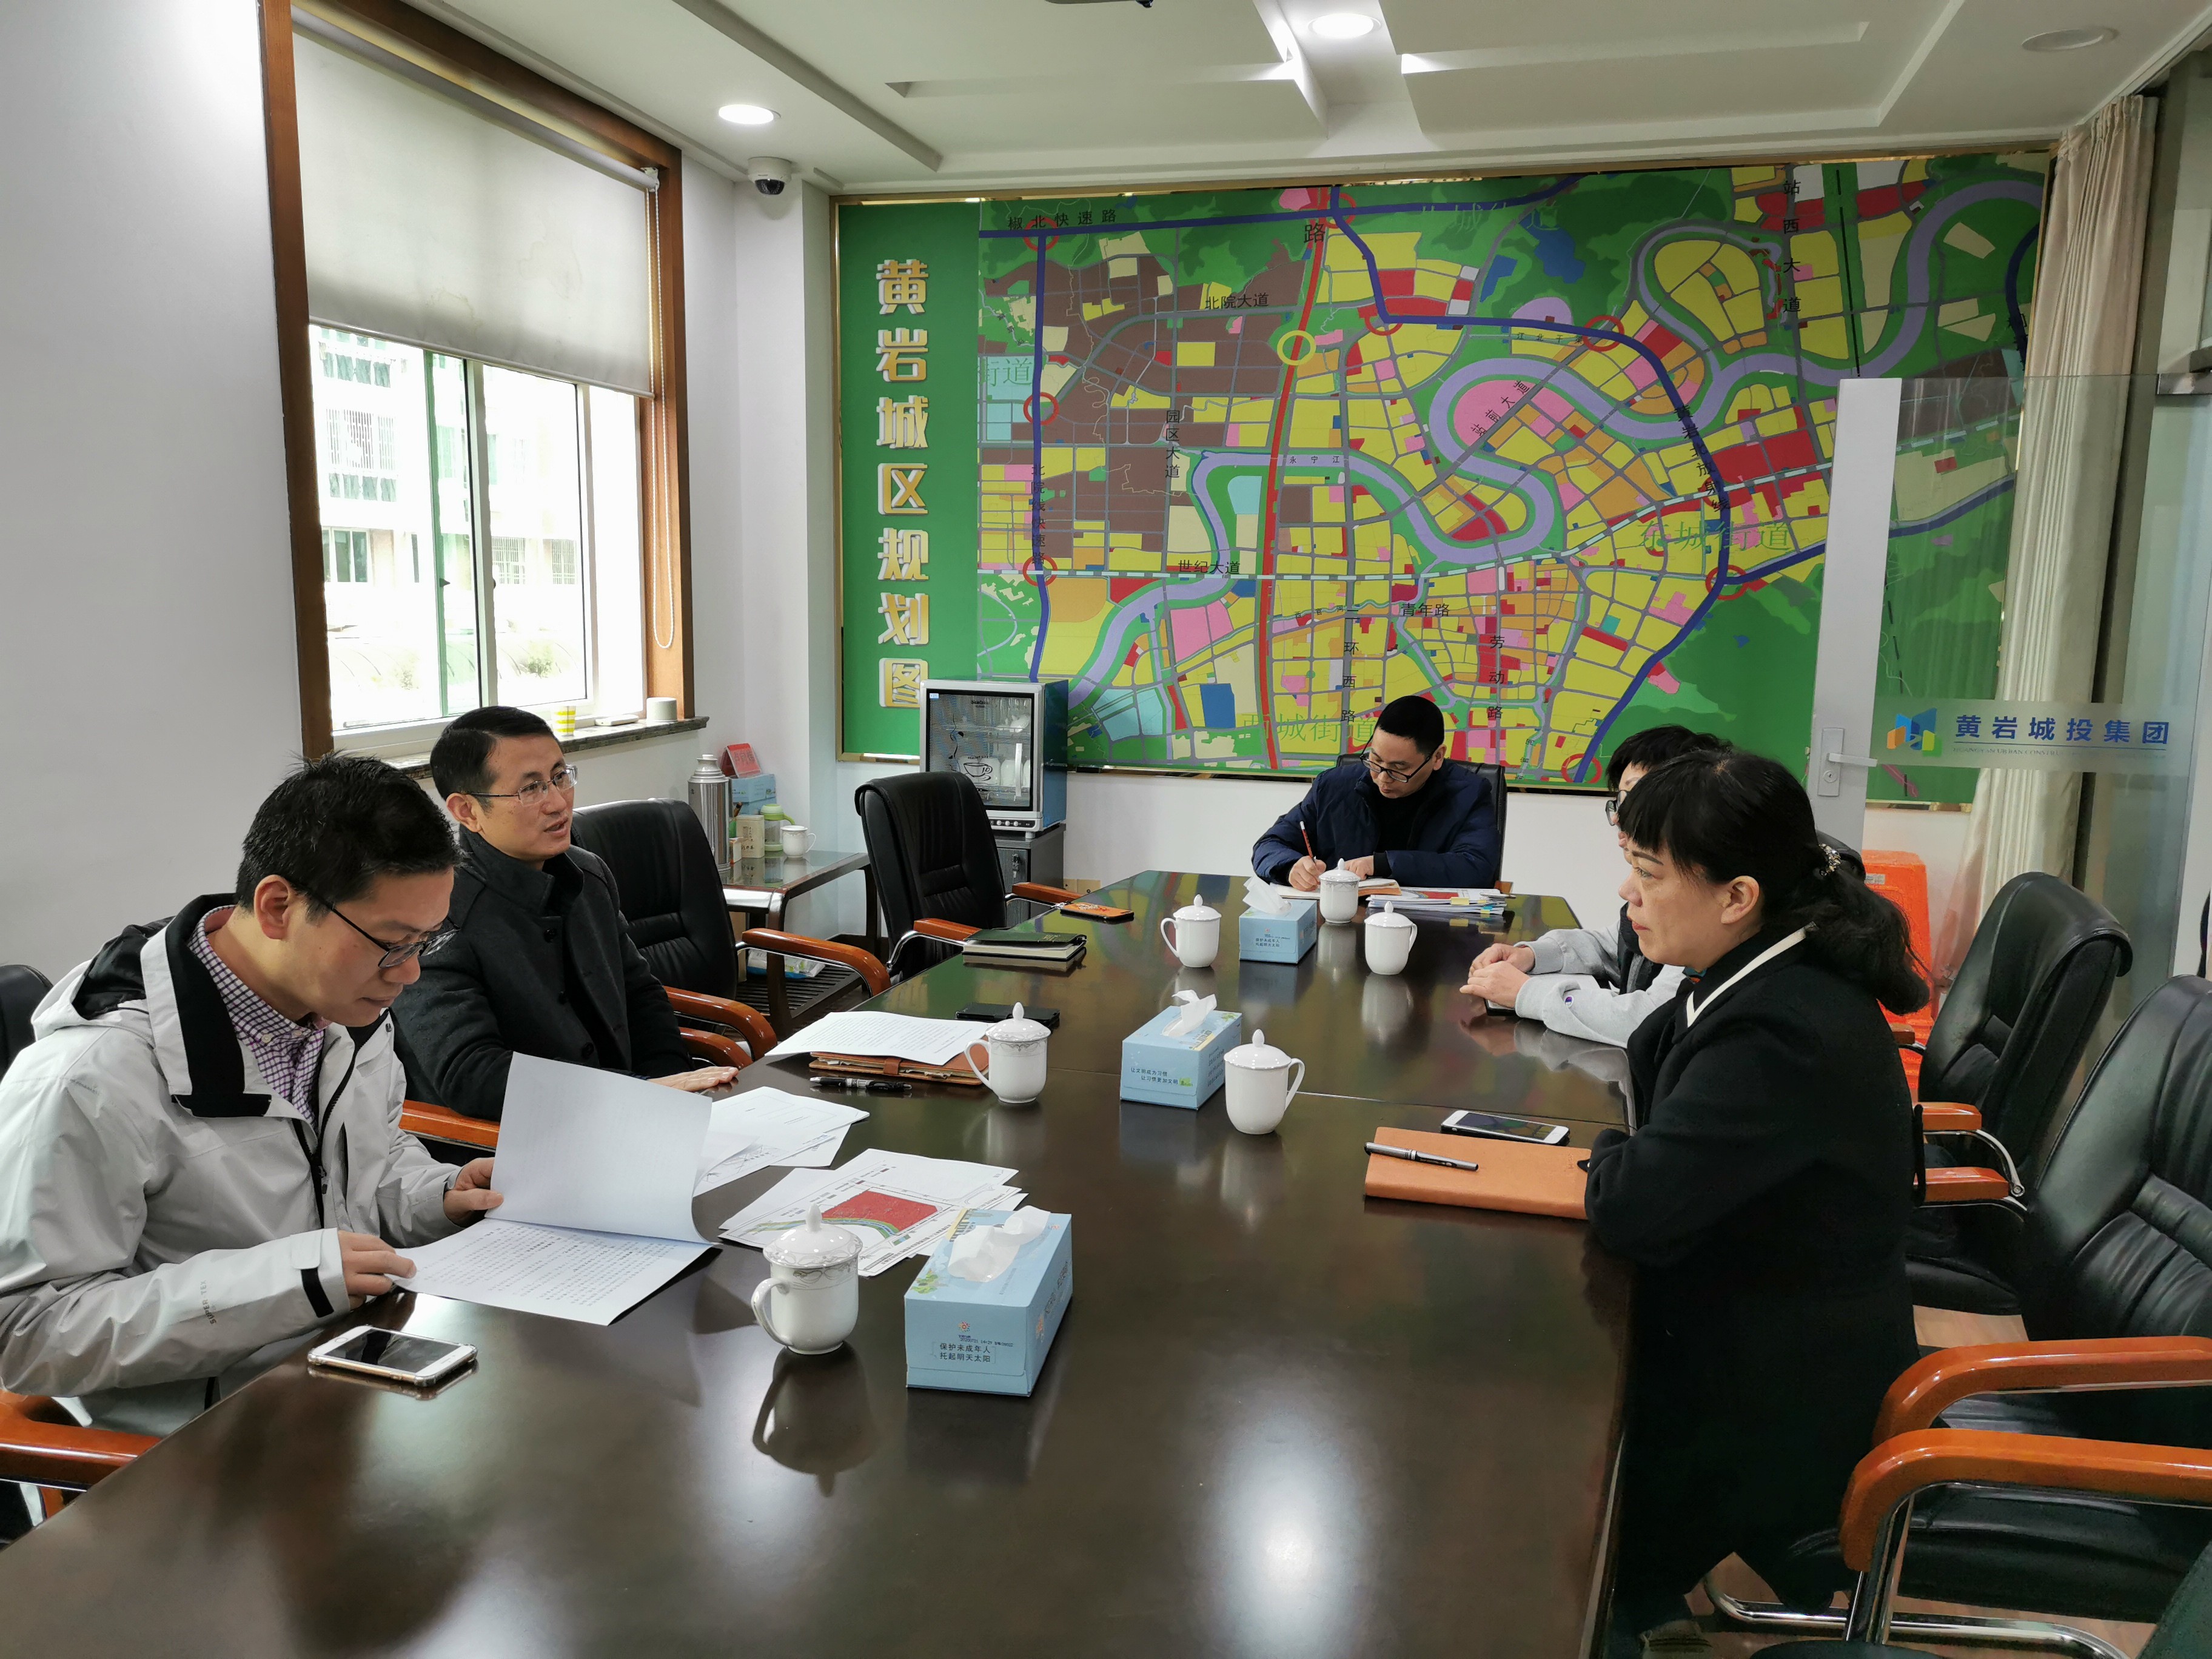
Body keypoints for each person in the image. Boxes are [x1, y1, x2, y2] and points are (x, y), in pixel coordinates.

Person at [0, 756, 503, 1435]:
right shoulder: (90, 1078)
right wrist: (288, 1282)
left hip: (350, 1377)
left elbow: (361, 1167)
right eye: (391, 943)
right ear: (277, 907)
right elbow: (25, 1331)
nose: (410, 973)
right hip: (204, 1441)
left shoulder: (347, 1018)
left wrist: (436, 1196)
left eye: (426, 941)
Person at [1581, 750, 1928, 1656]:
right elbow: (1651, 1098)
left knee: (1556, 1516)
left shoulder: (1782, 1028)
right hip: (1744, 1339)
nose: (1628, 893)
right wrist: (1628, 1156)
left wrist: (1614, 1156)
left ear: (1738, 896)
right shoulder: (1749, 972)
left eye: (1650, 873)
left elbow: (1632, 1205)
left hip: (1778, 1402)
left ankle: (1620, 1605)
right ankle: (1638, 1596)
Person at [393, 706, 736, 1121]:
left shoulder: (588, 874)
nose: (558, 802)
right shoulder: (437, 913)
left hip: (630, 1115)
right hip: (515, 1141)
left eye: (559, 777)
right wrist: (639, 1094)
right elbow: (473, 1075)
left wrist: (674, 1093)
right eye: (531, 789)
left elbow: (641, 996)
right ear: (467, 811)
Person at [1461, 726, 1729, 1046]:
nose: (1618, 818)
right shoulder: (1659, 887)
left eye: (1636, 798)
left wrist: (1527, 992)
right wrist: (1531, 955)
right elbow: (1616, 944)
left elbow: (1650, 1020)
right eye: (1621, 800)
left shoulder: (1702, 907)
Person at [1252, 695, 1501, 890]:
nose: (1383, 778)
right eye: (1376, 760)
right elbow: (1270, 845)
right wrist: (1290, 867)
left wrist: (1383, 864)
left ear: (1437, 757)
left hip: (1427, 927)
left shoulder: (1469, 794)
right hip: (1342, 921)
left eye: (1399, 769)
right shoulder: (1334, 786)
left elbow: (1477, 867)